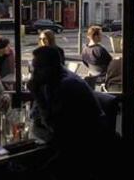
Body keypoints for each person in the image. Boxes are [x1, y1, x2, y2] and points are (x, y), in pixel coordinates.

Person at [27, 46, 107, 177]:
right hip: (71, 143)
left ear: (50, 67)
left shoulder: (66, 85)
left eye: (37, 68)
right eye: (32, 68)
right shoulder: (50, 80)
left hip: (84, 149)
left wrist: (37, 95)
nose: (33, 74)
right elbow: (35, 116)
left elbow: (55, 128)